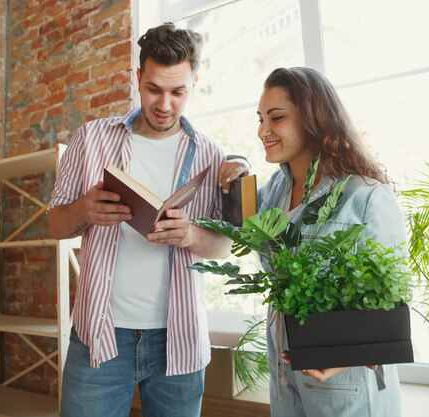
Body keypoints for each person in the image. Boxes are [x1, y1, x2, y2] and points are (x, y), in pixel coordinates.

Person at [47, 23, 247, 417]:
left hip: (180, 340)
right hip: (99, 337)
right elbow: (54, 225)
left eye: (178, 92)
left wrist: (190, 234)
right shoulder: (91, 140)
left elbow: (225, 246)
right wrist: (84, 210)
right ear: (137, 78)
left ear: (195, 82)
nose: (165, 104)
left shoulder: (210, 154)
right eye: (154, 88)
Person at [254, 67, 405, 416]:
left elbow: (393, 304)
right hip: (285, 377)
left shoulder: (365, 197)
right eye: (260, 119)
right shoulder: (274, 191)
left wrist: (348, 353)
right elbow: (230, 214)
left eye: (276, 118)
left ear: (311, 118)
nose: (263, 130)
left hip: (344, 386)